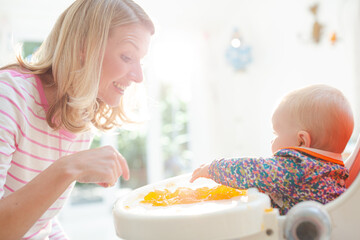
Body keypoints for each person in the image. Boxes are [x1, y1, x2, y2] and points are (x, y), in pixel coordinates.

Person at [0, 0, 154, 239]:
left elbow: (40, 224)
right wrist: (71, 167)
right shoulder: (8, 97)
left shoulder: (80, 118)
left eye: (140, 61)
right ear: (85, 47)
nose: (138, 76)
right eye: (127, 57)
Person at [190, 84, 354, 215]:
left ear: (301, 140)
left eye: (276, 133)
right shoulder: (330, 172)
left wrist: (213, 169)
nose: (272, 139)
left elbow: (252, 170)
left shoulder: (296, 169)